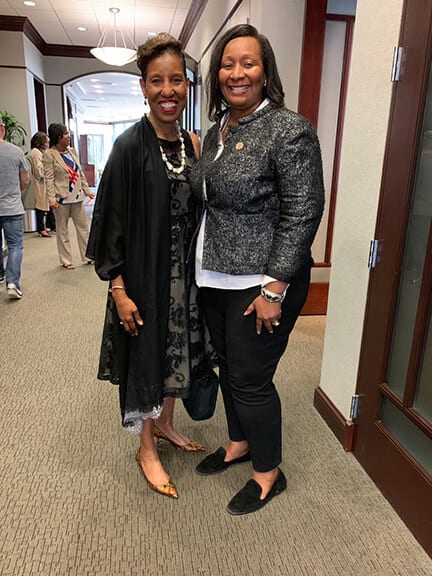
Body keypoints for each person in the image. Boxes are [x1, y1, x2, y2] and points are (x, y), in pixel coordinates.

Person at [191, 24, 325, 515]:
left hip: (261, 282)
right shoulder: (217, 130)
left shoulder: (289, 130)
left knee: (250, 378)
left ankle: (269, 473)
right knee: (230, 370)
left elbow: (303, 211)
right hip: (215, 277)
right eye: (227, 64)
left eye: (248, 63)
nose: (236, 73)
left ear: (265, 72)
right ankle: (239, 442)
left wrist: (274, 289)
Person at [87, 33, 213, 500]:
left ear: (186, 85)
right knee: (146, 358)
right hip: (142, 276)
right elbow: (109, 224)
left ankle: (165, 424)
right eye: (157, 81)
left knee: (177, 352)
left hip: (187, 278)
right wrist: (118, 290)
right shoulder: (127, 147)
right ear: (143, 87)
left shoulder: (193, 143)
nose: (167, 90)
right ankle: (145, 448)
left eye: (176, 80)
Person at [42, 123, 95, 269]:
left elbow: (80, 173)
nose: (68, 136)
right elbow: (49, 178)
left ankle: (88, 256)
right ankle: (66, 260)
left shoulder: (72, 151)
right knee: (62, 230)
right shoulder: (49, 155)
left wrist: (86, 189)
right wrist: (51, 199)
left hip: (77, 197)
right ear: (58, 137)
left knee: (83, 228)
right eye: (65, 134)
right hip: (61, 198)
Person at [0, 115, 30, 299]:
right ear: (2, 128)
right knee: (15, 245)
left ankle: (0, 274)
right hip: (12, 207)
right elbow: (25, 180)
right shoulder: (16, 151)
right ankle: (12, 283)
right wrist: (13, 191)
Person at [29, 131, 55, 237]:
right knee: (40, 205)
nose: (48, 144)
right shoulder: (35, 153)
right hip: (40, 182)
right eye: (46, 142)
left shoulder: (42, 152)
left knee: (47, 203)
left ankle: (50, 226)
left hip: (45, 182)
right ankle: (41, 228)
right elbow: (38, 171)